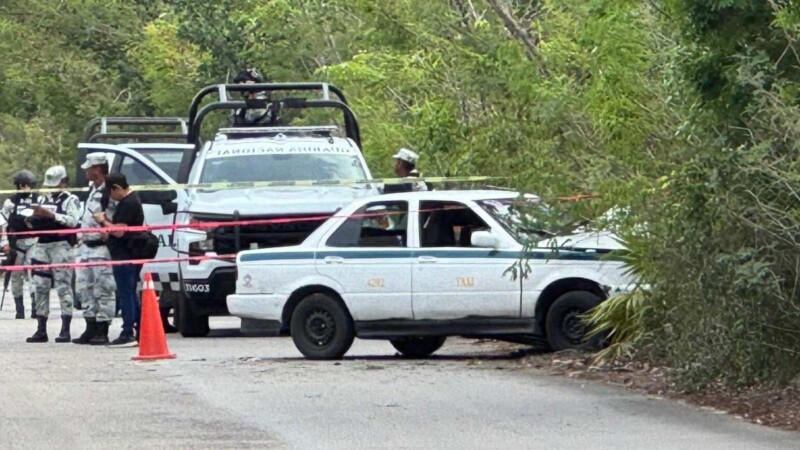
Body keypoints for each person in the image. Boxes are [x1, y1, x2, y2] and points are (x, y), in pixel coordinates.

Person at [25, 165, 81, 343]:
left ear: (63, 182)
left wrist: (52, 215)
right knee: (40, 286)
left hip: (61, 246)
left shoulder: (71, 199)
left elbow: (73, 221)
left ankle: (65, 329)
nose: (52, 188)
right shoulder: (42, 198)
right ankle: (41, 328)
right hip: (42, 245)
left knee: (63, 286)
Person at [93, 173, 143, 347]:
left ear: (117, 188)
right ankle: (140, 328)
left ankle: (127, 331)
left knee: (125, 293)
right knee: (130, 291)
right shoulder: (131, 200)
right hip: (128, 252)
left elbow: (120, 231)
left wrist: (103, 221)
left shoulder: (128, 203)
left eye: (110, 192)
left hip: (125, 253)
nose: (110, 197)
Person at [72, 154, 117, 346]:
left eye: (89, 168)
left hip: (101, 248)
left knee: (104, 289)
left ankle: (102, 328)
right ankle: (90, 326)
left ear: (98, 169)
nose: (86, 171)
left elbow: (116, 216)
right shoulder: (92, 190)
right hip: (85, 248)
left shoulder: (109, 191)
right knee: (84, 288)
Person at [0, 170, 39, 319]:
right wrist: (5, 242)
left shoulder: (38, 199)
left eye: (29, 185)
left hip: (34, 241)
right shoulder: (10, 202)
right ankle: (19, 309)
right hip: (16, 243)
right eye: (23, 185)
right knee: (16, 276)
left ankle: (35, 308)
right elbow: (3, 223)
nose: (26, 188)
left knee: (32, 274)